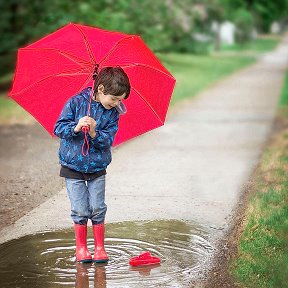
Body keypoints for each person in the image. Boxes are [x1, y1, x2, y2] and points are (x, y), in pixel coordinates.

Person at [54, 66, 130, 263]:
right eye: (114, 99)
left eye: (120, 100)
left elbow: (108, 141)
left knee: (97, 207)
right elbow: (59, 128)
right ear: (101, 89)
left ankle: (99, 247)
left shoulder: (113, 113)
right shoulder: (75, 102)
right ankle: (81, 248)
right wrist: (76, 127)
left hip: (97, 167)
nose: (116, 103)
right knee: (80, 209)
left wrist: (95, 132)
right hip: (72, 166)